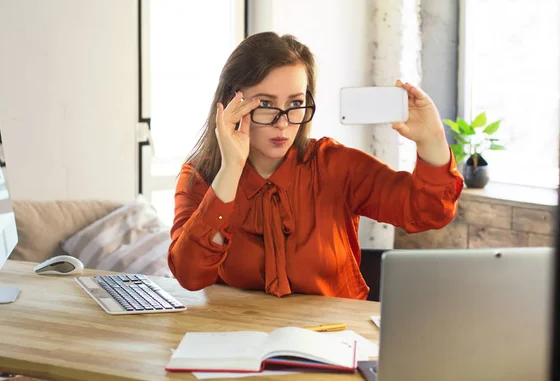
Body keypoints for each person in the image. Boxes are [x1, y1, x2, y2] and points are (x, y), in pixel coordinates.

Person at [168, 32, 463, 300]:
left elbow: (429, 211)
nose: (283, 122)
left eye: (295, 104)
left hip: (336, 339)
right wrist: (230, 169)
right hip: (240, 340)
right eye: (266, 104)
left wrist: (432, 138)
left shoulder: (335, 165)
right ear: (232, 104)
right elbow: (190, 276)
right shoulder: (200, 177)